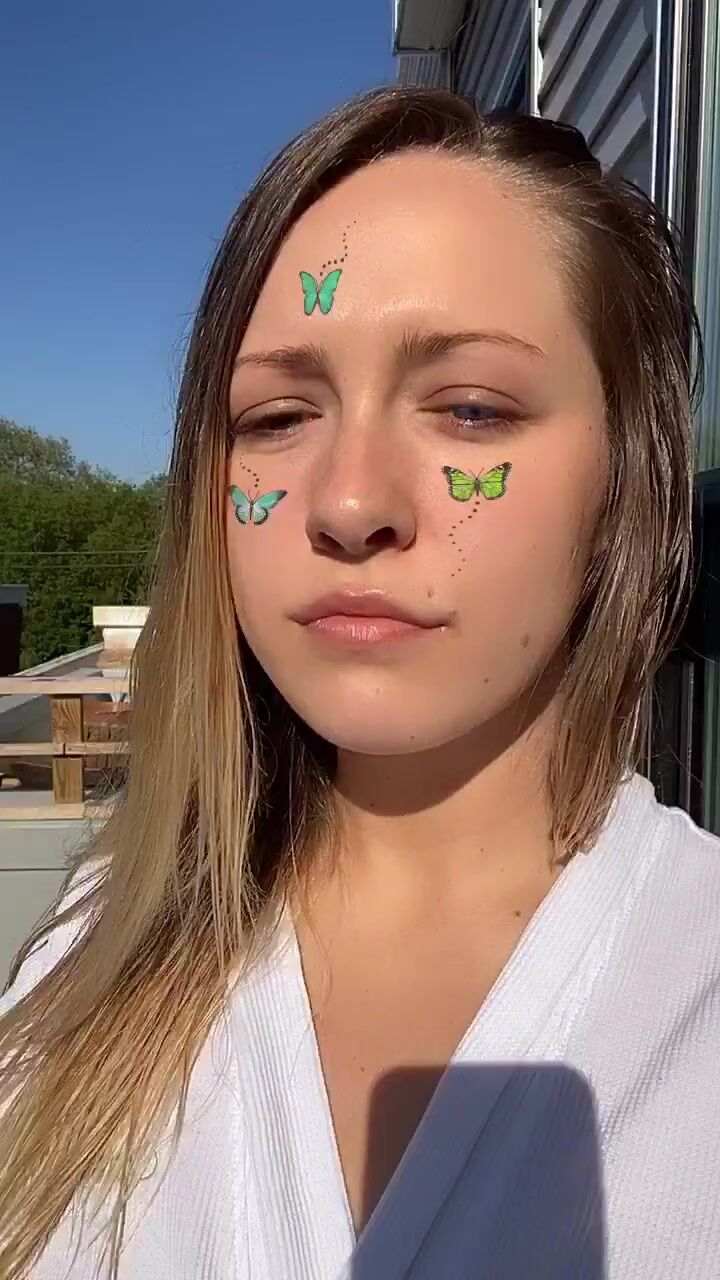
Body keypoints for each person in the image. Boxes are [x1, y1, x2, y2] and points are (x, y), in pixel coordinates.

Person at [1, 84, 718, 1280]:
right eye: (278, 416)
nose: (346, 502)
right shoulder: (88, 950)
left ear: (626, 481)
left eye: (471, 408)